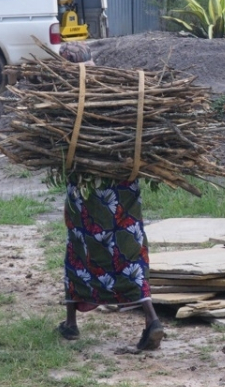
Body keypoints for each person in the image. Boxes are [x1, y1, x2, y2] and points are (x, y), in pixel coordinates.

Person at [57, 42, 164, 351]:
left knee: (79, 249)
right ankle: (151, 319)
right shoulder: (123, 95)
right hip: (124, 189)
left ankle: (71, 324)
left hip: (86, 191)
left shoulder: (65, 101)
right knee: (129, 252)